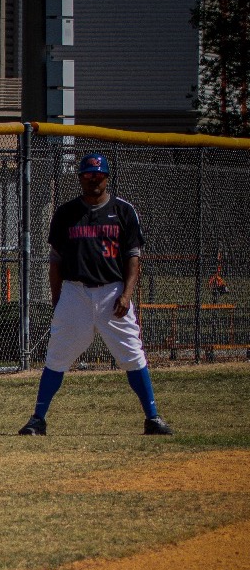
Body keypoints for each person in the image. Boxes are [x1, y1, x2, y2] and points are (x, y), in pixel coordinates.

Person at [18, 153, 170, 436]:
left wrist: (126, 294)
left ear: (107, 177)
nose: (93, 179)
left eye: (98, 174)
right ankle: (38, 419)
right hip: (75, 292)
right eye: (88, 174)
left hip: (112, 292)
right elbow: (56, 261)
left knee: (132, 354)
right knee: (57, 356)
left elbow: (133, 258)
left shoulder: (124, 211)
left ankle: (152, 417)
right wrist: (57, 298)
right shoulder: (65, 213)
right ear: (80, 178)